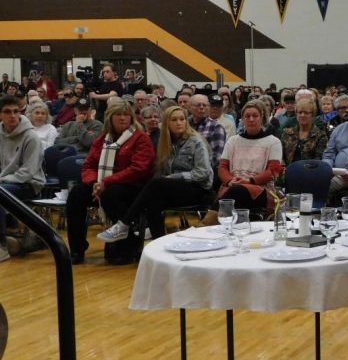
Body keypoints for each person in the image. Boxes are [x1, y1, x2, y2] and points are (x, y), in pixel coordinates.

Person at [97, 106, 214, 242]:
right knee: (154, 202)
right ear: (166, 124)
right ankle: (159, 243)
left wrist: (173, 178)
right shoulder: (166, 144)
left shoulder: (197, 142)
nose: (179, 123)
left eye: (182, 119)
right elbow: (160, 170)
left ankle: (124, 224)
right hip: (174, 189)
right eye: (174, 120)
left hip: (198, 189)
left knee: (158, 183)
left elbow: (203, 173)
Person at [65, 99, 155, 264]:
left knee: (111, 194)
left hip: (133, 185)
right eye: (118, 115)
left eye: (126, 115)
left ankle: (128, 244)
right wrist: (94, 183)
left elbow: (139, 169)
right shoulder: (101, 140)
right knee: (76, 194)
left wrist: (106, 181)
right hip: (102, 184)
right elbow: (88, 166)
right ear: (109, 118)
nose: (123, 118)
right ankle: (77, 249)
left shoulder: (140, 138)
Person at [202, 100, 283, 221]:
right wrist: (230, 180)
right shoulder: (233, 141)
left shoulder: (273, 142)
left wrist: (249, 180)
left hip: (261, 188)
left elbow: (273, 171)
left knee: (236, 191)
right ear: (242, 119)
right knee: (235, 191)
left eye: (255, 116)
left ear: (262, 118)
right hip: (233, 184)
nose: (251, 119)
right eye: (247, 116)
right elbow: (222, 167)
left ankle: (207, 222)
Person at [0, 95, 47, 260]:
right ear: (0, 115)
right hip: (5, 182)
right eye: (7, 112)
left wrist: (1, 181)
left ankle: (2, 247)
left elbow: (27, 172)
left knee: (0, 195)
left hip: (30, 184)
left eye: (16, 111)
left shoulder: (31, 137)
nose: (12, 115)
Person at [281, 98, 327, 164]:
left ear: (313, 115)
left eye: (306, 113)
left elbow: (318, 160)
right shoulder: (287, 133)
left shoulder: (320, 135)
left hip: (310, 172)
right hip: (288, 171)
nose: (302, 115)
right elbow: (281, 156)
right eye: (300, 112)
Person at [188, 94, 226, 170]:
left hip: (203, 172)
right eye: (198, 105)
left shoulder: (216, 127)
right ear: (189, 107)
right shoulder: (184, 124)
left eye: (205, 105)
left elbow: (216, 160)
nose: (202, 107)